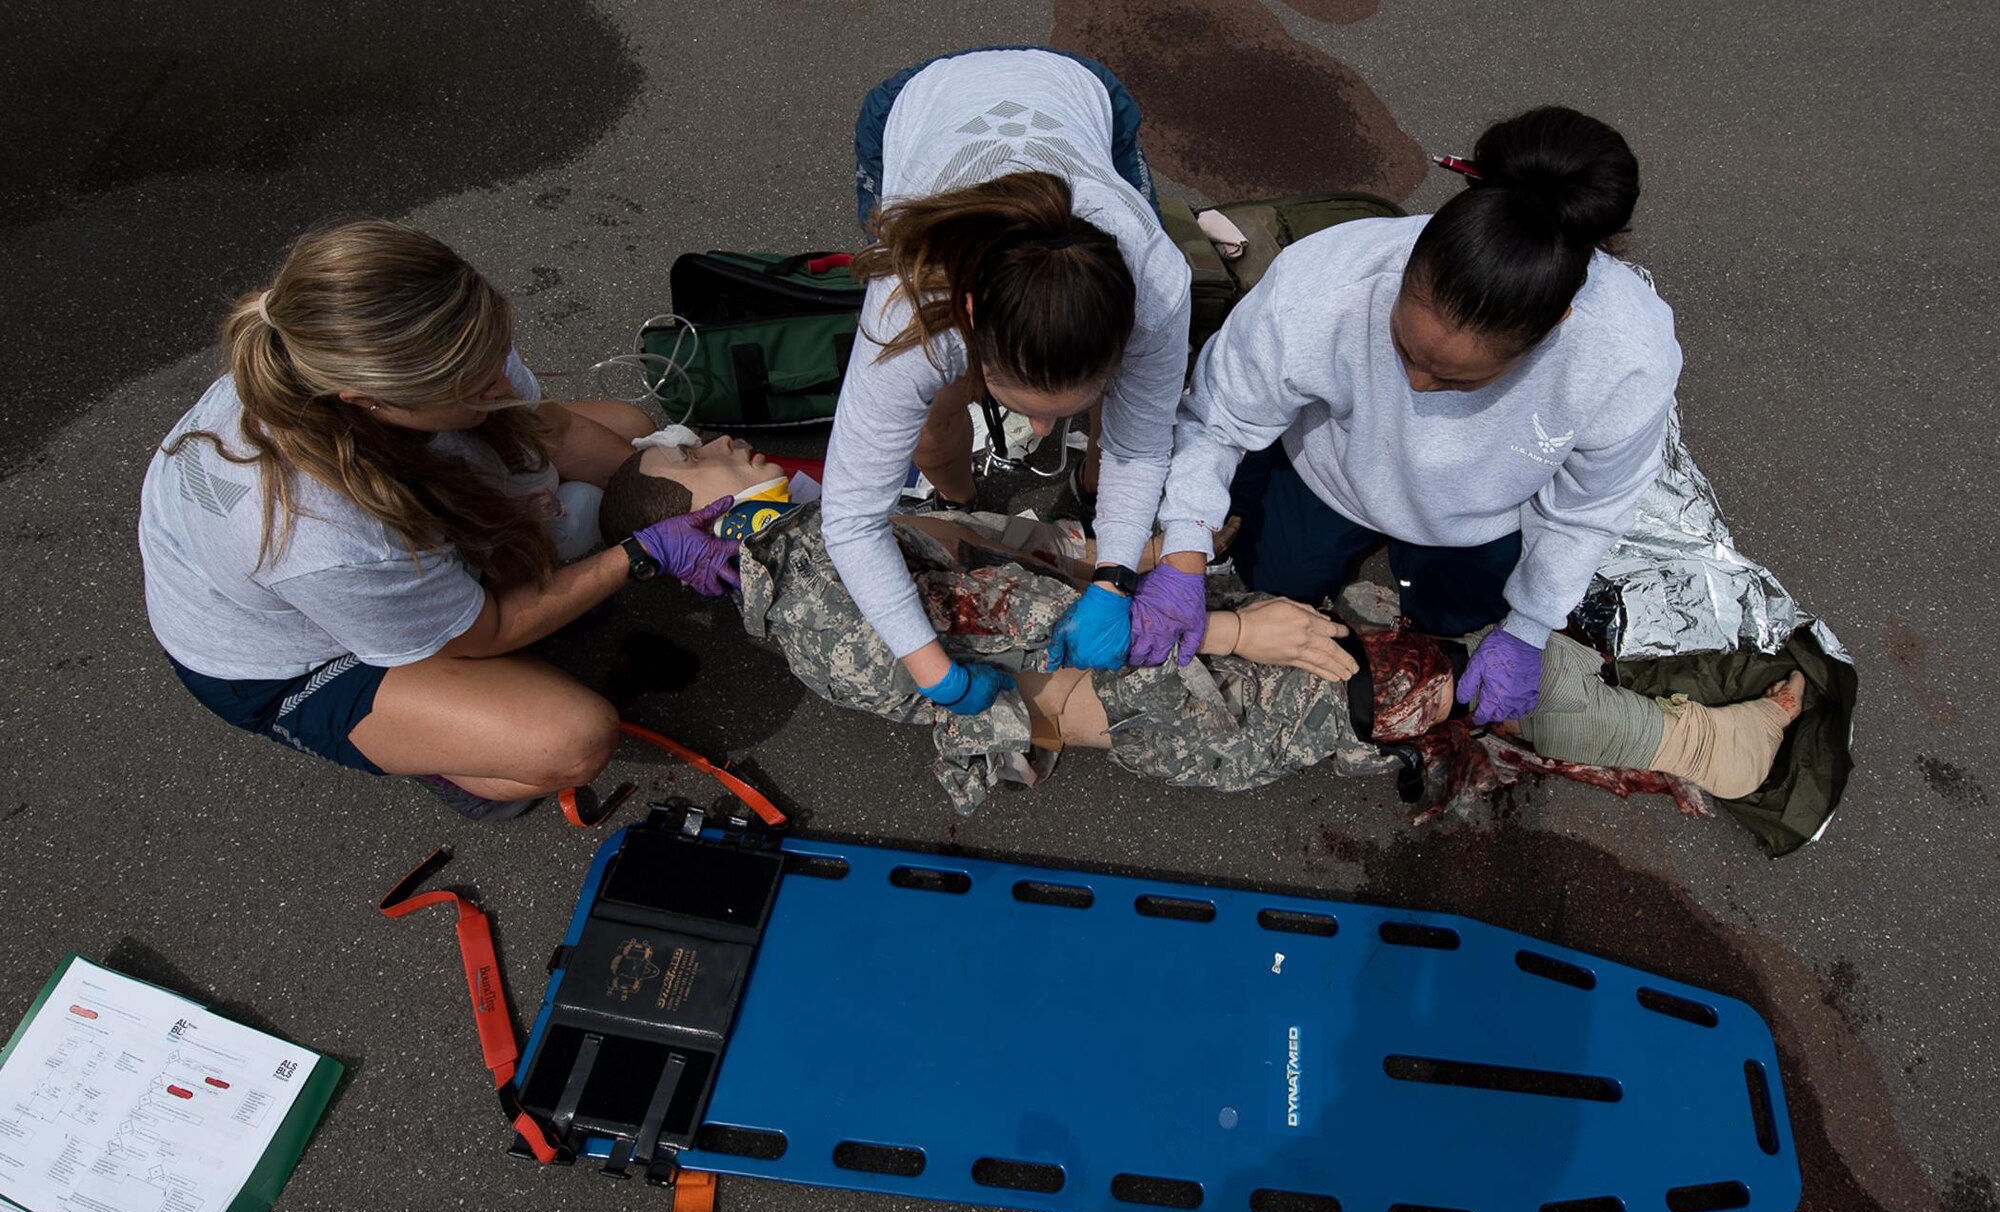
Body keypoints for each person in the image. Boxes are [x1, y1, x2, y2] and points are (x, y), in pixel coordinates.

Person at [597, 453, 1804, 817]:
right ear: (708, 516)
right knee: (1413, 673)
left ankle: (1641, 716)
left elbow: (1010, 556)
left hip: (1152, 659)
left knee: (1425, 616)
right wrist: (1234, 625)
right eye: (711, 457)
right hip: (1177, 697)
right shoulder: (817, 596)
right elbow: (1041, 634)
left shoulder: (813, 547)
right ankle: (1708, 751)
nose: (745, 450)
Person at [138, 220, 740, 821]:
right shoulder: (321, 532)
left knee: (629, 430)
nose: (503, 384)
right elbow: (486, 630)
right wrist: (641, 551)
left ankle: (478, 618)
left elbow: (550, 428)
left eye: (495, 357)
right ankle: (451, 757)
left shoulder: (413, 344)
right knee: (569, 738)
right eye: (477, 387)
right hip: (292, 663)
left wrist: (658, 493)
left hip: (378, 531)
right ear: (370, 398)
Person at [1146, 106, 1683, 730]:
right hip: (1330, 473)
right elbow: (1217, 418)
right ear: (1405, 267)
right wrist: (1183, 544)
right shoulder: (1321, 286)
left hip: (1482, 516)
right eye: (1403, 349)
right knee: (1273, 577)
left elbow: (1587, 508)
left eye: (1457, 380)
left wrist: (1531, 626)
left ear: (1552, 328)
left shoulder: (1624, 359)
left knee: (1451, 623)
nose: (1416, 387)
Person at [822, 47, 1193, 715]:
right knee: (930, 417)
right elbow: (850, 519)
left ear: (1128, 328)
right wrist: (934, 671)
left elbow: (1142, 443)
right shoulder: (911, 308)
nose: (1043, 433)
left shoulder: (1159, 287)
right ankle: (961, 501)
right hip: (918, 102)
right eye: (1024, 407)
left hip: (1082, 95)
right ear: (967, 316)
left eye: (1072, 407)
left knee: (1131, 423)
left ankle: (1087, 494)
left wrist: (1114, 578)